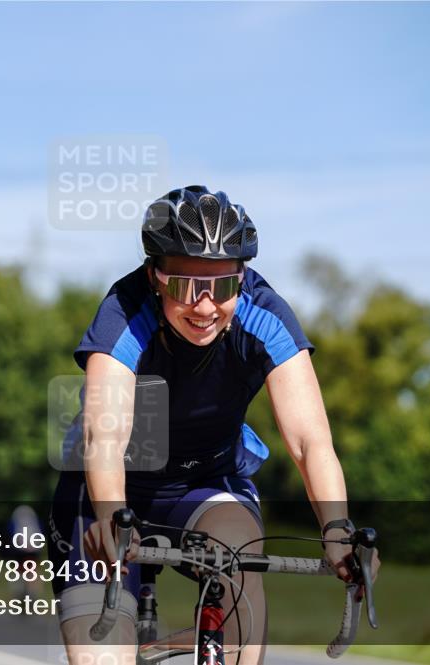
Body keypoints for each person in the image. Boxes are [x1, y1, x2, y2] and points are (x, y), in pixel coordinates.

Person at [46, 186, 381, 665]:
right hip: (104, 490)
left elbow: (310, 442)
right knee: (101, 658)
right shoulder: (124, 312)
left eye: (222, 287)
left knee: (240, 561)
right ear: (154, 276)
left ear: (242, 278)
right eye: (184, 286)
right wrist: (111, 516)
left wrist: (336, 529)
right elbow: (106, 436)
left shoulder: (265, 314)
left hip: (203, 483)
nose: (204, 306)